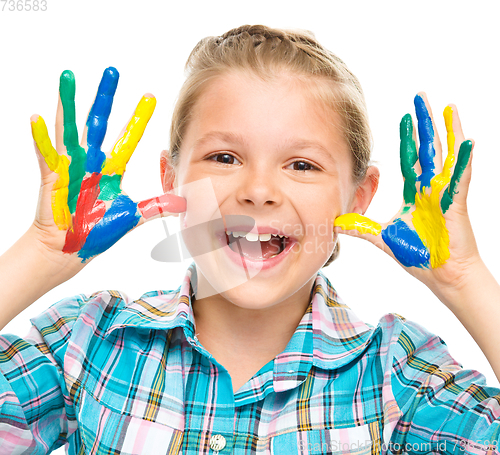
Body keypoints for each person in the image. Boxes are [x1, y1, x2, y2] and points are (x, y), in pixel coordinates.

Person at [1, 24, 499, 454]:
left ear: (357, 198)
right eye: (224, 158)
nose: (258, 191)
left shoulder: (397, 375)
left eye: (302, 165)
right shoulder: (88, 340)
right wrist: (41, 253)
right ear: (172, 180)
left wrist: (463, 279)